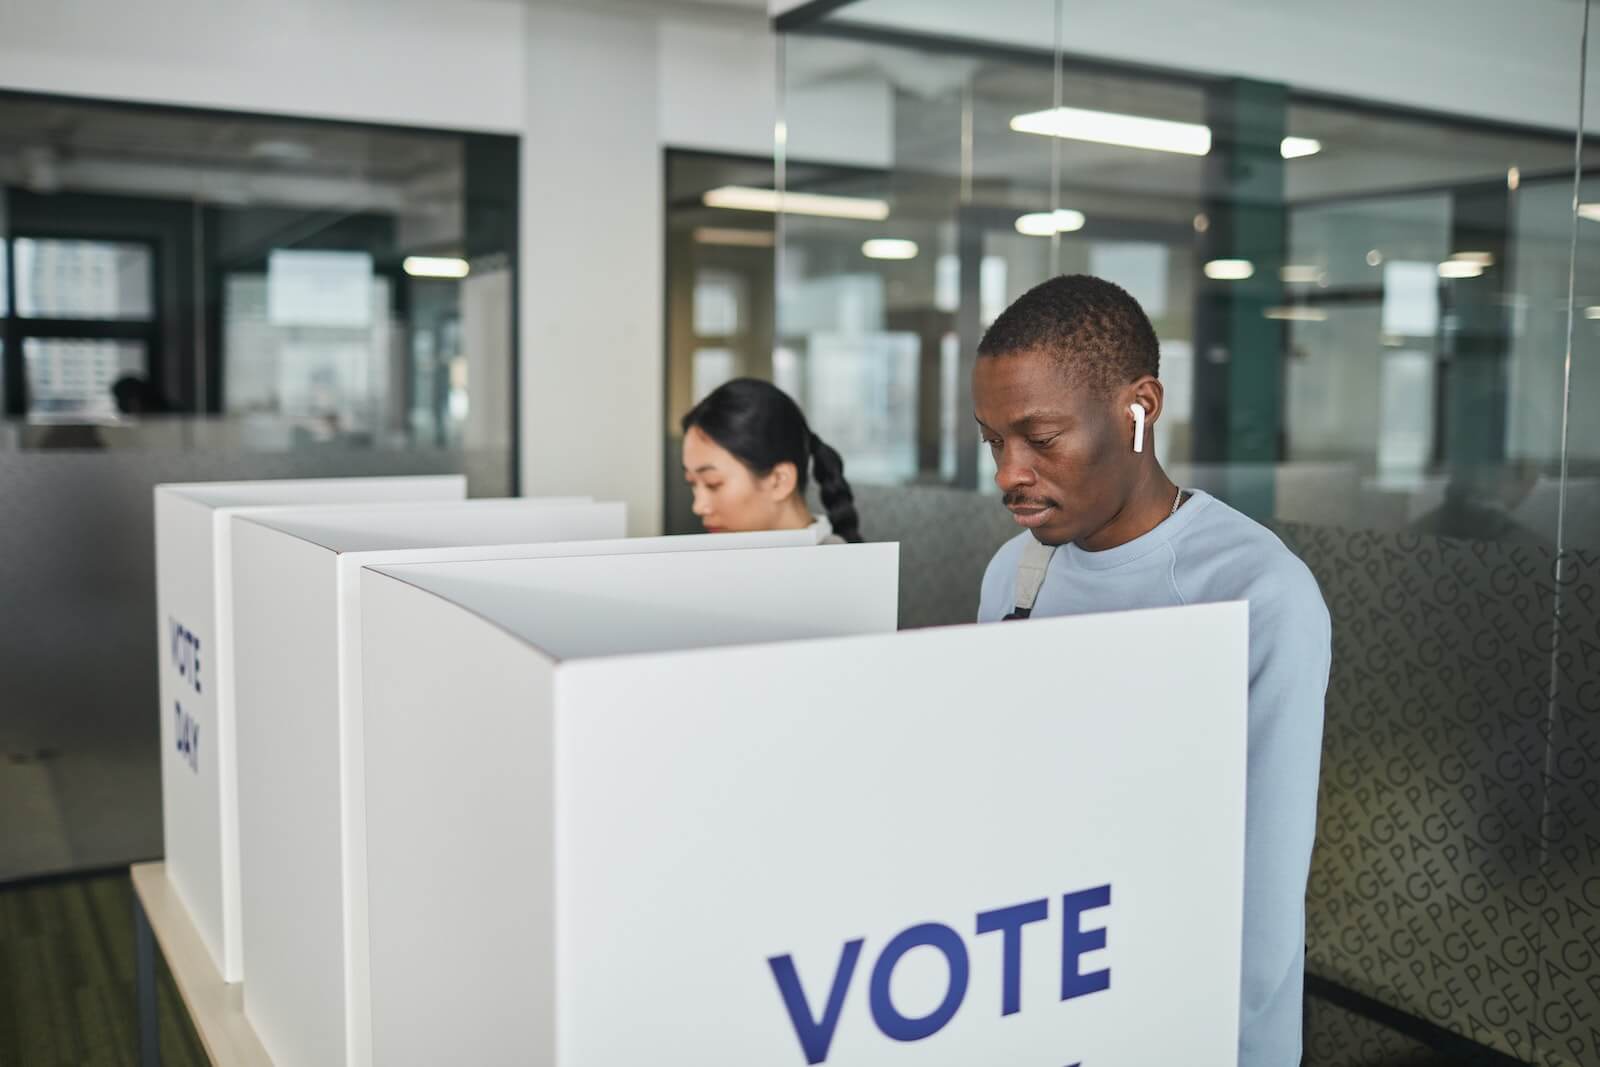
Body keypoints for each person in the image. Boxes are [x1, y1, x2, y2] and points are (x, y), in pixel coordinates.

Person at [972, 275, 1330, 1067]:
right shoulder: (1014, 574)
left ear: (1140, 407)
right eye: (994, 440)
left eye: (1040, 437)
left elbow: (1262, 902)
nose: (1008, 473)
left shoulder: (1257, 592)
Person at [680, 378, 861, 544]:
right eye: (692, 483)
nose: (698, 507)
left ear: (779, 481)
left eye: (713, 484)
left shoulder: (838, 572)